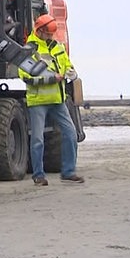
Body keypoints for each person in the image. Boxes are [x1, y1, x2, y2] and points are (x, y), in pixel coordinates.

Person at [18, 14, 84, 185]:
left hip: (58, 100)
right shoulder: (29, 50)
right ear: (39, 31)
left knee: (70, 134)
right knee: (38, 139)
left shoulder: (58, 47)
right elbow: (25, 77)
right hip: (38, 101)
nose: (50, 37)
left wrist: (71, 73)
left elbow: (67, 65)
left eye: (51, 34)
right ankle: (39, 176)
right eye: (48, 34)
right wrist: (51, 79)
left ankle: (69, 172)